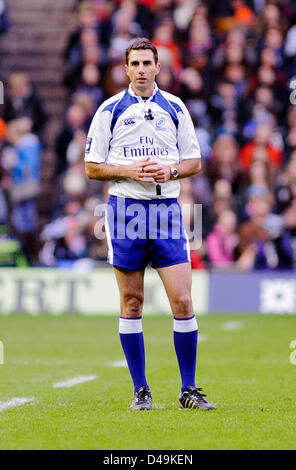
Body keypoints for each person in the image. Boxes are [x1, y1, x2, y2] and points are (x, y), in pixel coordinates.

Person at [85, 37, 215, 411]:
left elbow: (194, 161)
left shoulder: (175, 107)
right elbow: (92, 166)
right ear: (125, 69)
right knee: (131, 301)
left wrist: (169, 169)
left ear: (159, 67)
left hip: (167, 211)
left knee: (183, 299)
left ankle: (188, 390)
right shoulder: (109, 110)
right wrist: (130, 171)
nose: (141, 69)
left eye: (147, 63)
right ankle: (141, 391)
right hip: (125, 211)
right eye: (135, 64)